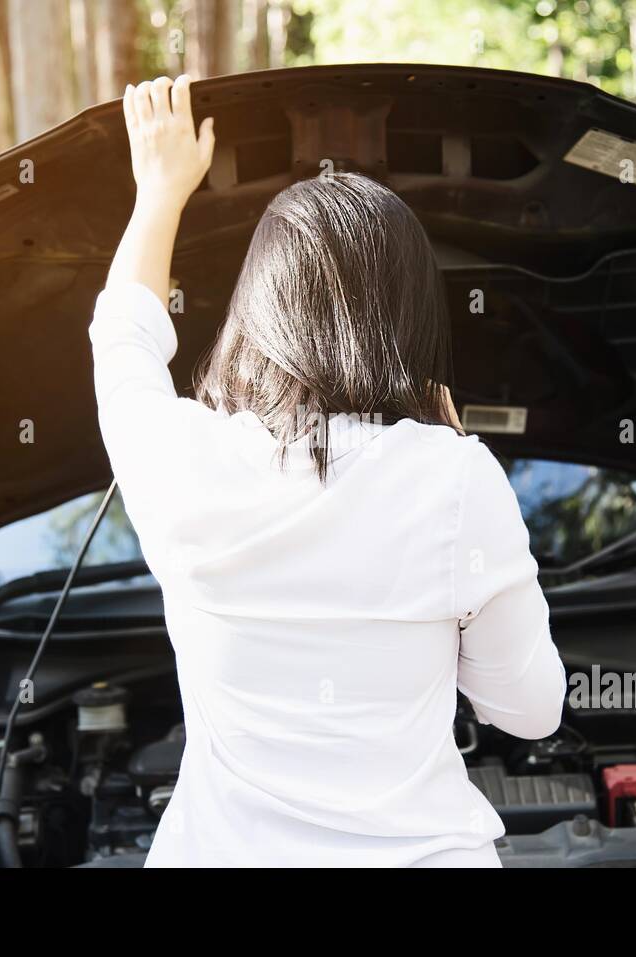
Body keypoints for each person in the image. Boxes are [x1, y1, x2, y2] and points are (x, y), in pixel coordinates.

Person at [89, 74, 565, 867]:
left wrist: (160, 193)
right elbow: (531, 710)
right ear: (412, 316)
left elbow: (123, 343)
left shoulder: (186, 465)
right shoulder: (455, 480)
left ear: (258, 307)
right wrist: (450, 452)